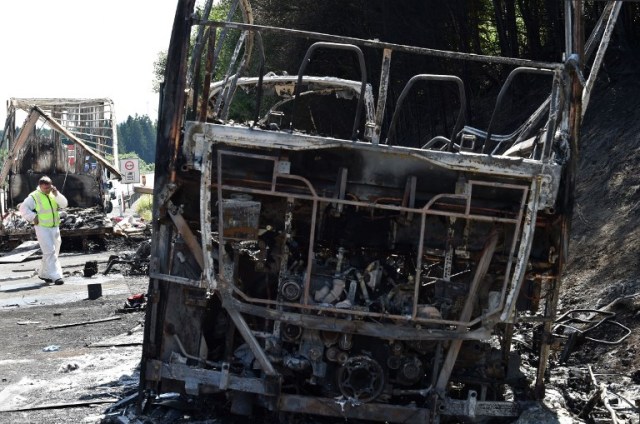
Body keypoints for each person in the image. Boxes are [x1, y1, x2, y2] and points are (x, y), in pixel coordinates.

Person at [19, 176, 68, 285]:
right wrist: (32, 217)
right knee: (49, 251)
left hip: (54, 226)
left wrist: (57, 194)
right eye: (45, 188)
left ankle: (44, 274)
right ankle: (57, 276)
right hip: (42, 228)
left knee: (54, 252)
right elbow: (23, 208)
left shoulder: (53, 194)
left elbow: (64, 204)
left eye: (48, 187)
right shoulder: (34, 196)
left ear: (51, 185)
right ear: (40, 186)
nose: (47, 190)